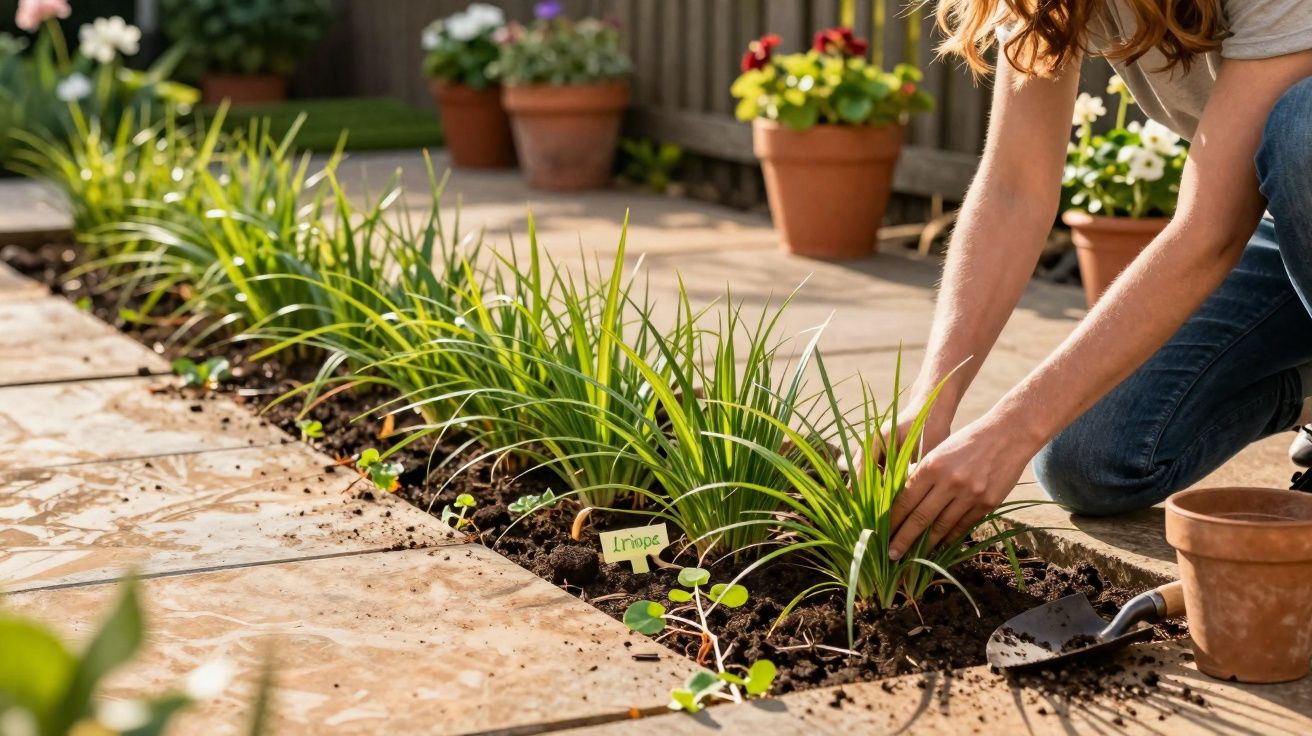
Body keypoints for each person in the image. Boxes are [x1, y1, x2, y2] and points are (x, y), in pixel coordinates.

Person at [884, 0, 1312, 561]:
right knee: (1087, 457)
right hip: (1290, 225)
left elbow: (1210, 229)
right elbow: (1015, 186)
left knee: (1304, 128)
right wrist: (929, 404)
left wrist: (1008, 429)